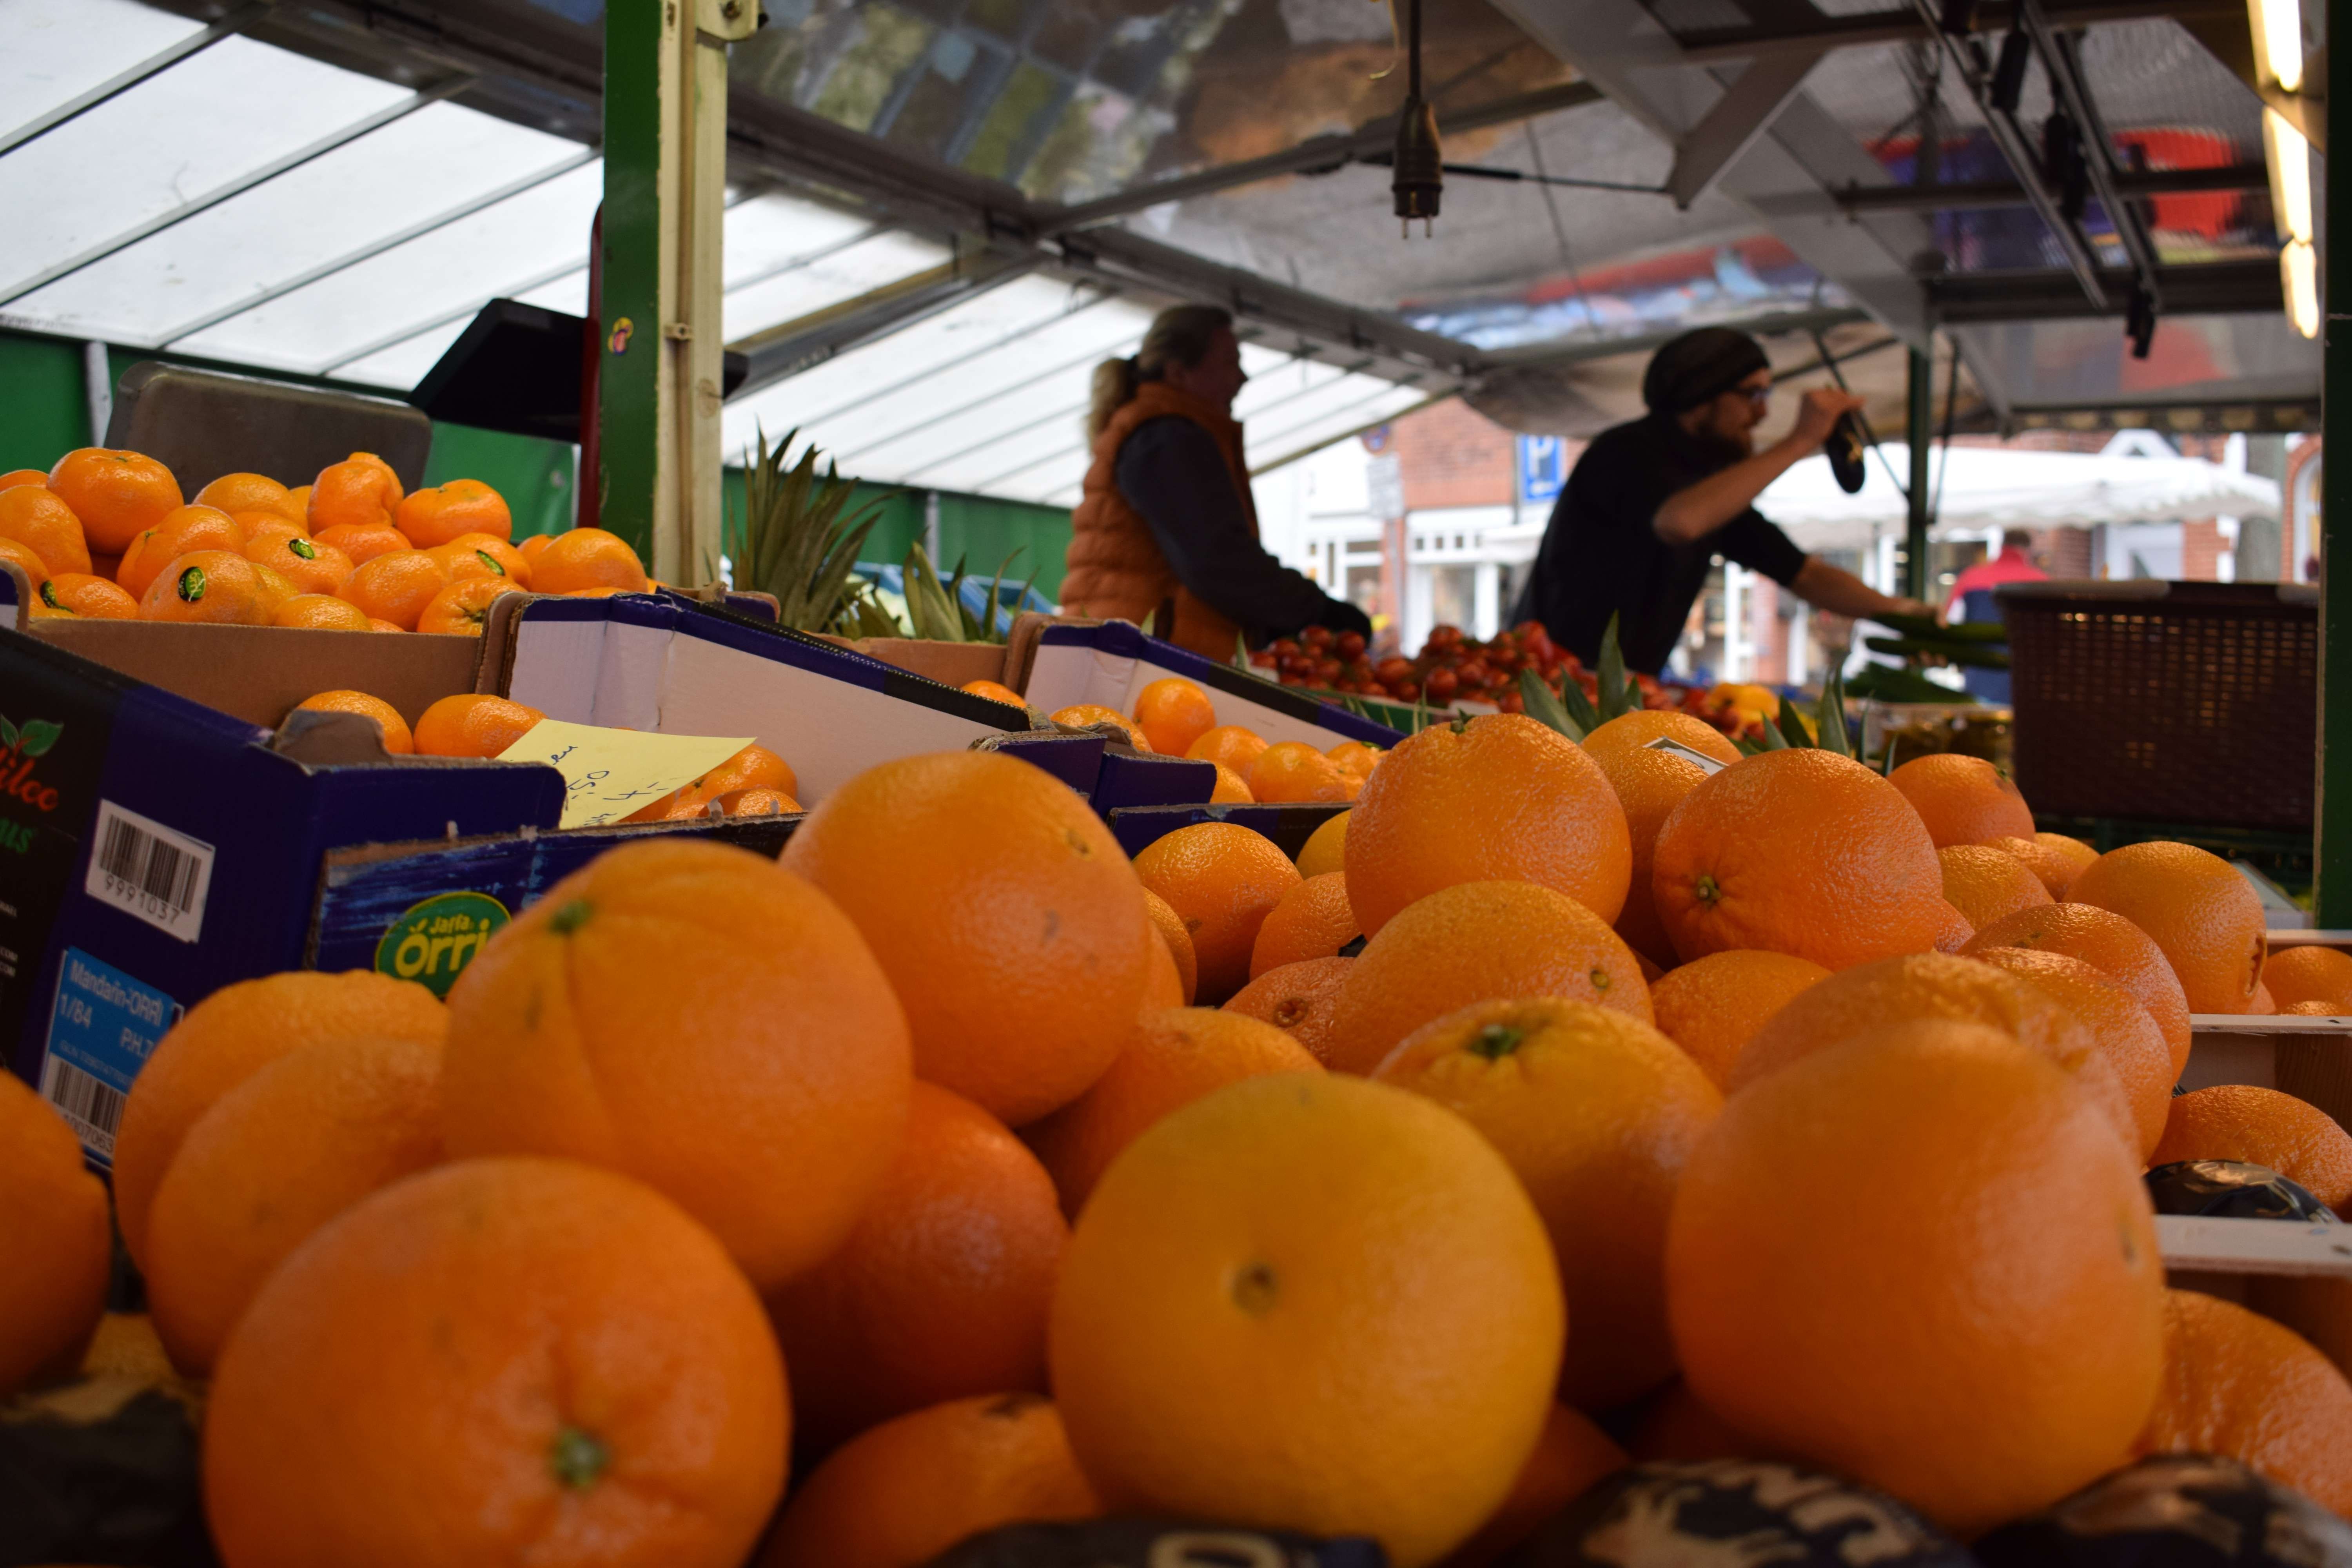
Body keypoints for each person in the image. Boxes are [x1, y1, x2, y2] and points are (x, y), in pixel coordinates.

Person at [1511, 326, 1937, 675]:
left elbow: (1805, 575)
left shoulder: (1709, 486)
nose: (1761, 414)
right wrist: (1803, 439)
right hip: (1550, 683)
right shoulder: (1626, 453)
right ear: (1702, 395)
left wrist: (1900, 612)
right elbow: (1679, 521)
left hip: (1620, 690)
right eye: (1753, 395)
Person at [1065, 305, 1371, 659]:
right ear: (1179, 372)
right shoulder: (1168, 437)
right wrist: (1320, 613)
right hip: (1142, 657)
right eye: (1230, 362)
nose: (1243, 378)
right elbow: (1220, 561)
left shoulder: (1155, 430)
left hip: (1126, 649)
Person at [1945, 529, 2048, 701]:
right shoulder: (2042, 583)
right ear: (2028, 550)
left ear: (2001, 546)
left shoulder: (1970, 577)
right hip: (2026, 684)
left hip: (1978, 680)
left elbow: (1948, 623)